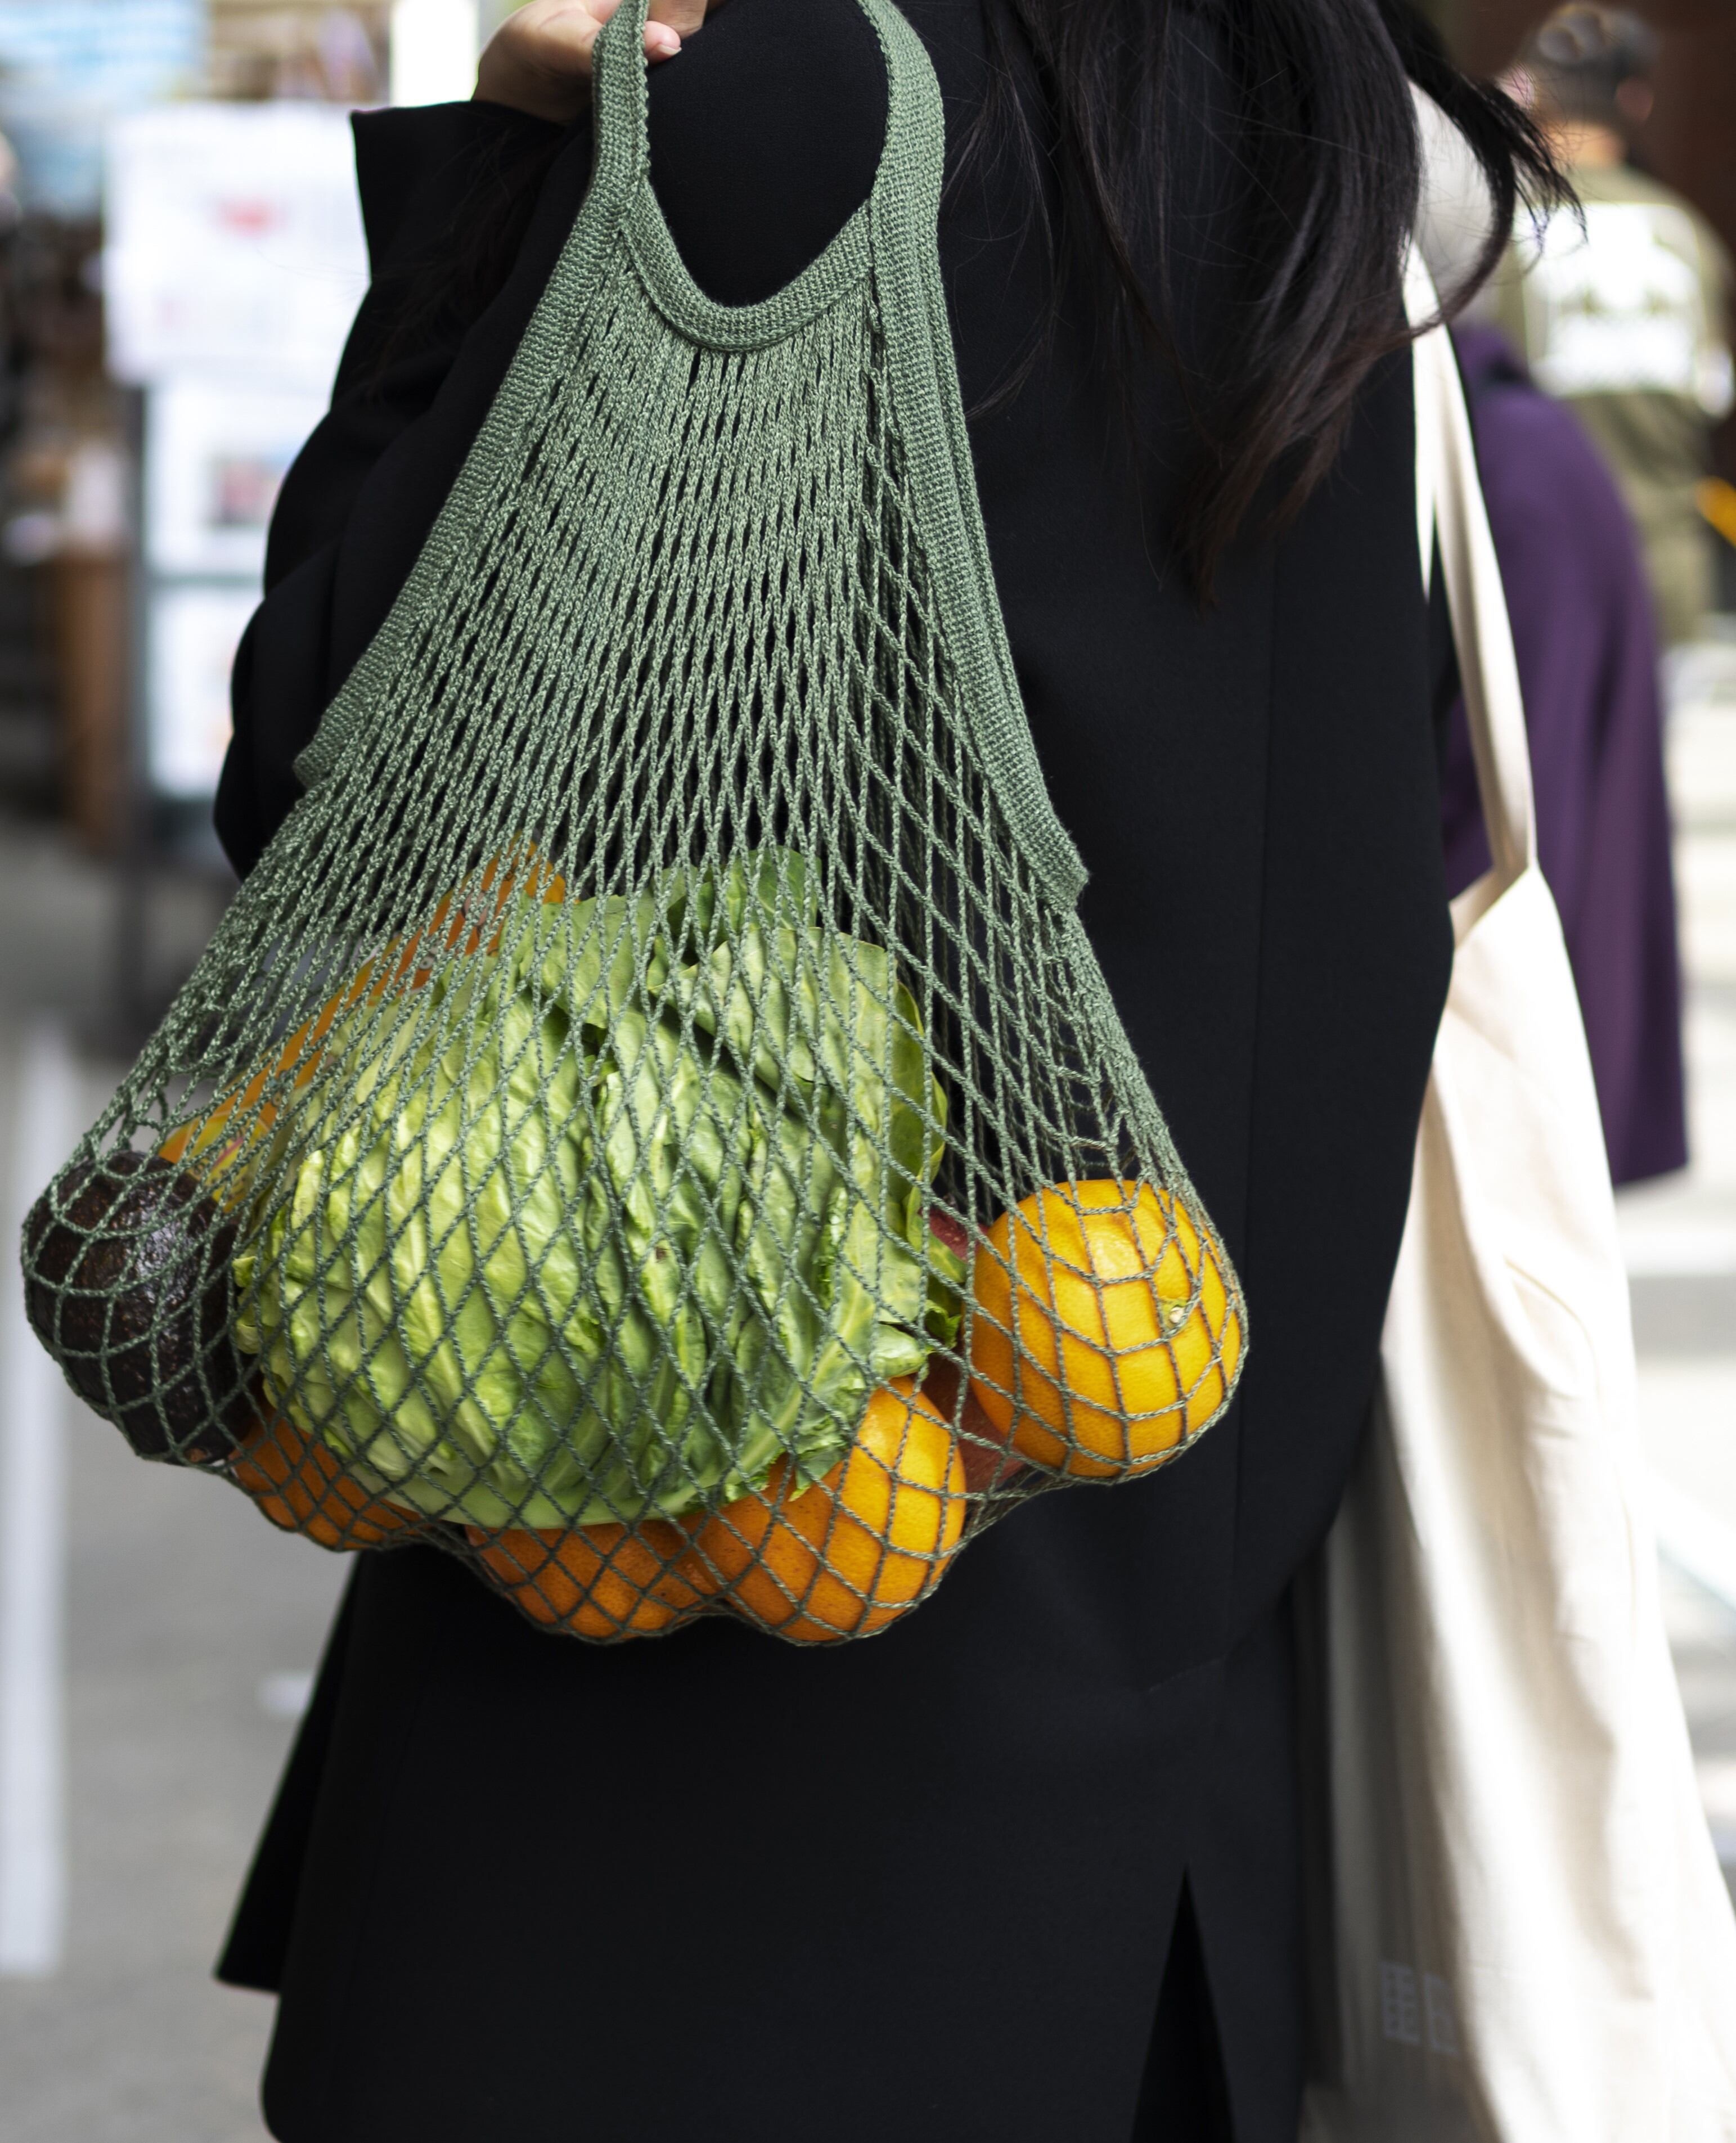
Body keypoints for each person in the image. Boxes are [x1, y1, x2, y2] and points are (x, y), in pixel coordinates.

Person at [210, 1, 1555, 2136]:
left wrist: (502, 153)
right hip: (1145, 1795)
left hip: (663, 1766)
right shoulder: (1313, 135)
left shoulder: (782, 112)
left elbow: (320, 760)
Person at [1439, 323, 1687, 1183]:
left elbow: (1513, 792)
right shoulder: (1520, 440)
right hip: (1545, 999)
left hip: (1519, 1023)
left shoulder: (1514, 462)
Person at [1483, 4, 1733, 649]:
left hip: (1529, 587)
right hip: (1664, 588)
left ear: (1529, 90)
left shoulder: (1493, 228)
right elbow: (1710, 401)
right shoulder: (1687, 237)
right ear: (1636, 101)